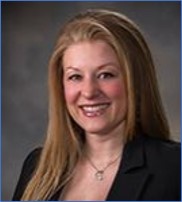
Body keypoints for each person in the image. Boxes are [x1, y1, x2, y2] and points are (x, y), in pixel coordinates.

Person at [12, 9, 180, 201]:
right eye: (75, 77)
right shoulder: (36, 167)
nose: (89, 92)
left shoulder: (174, 167)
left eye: (105, 75)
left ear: (136, 81)